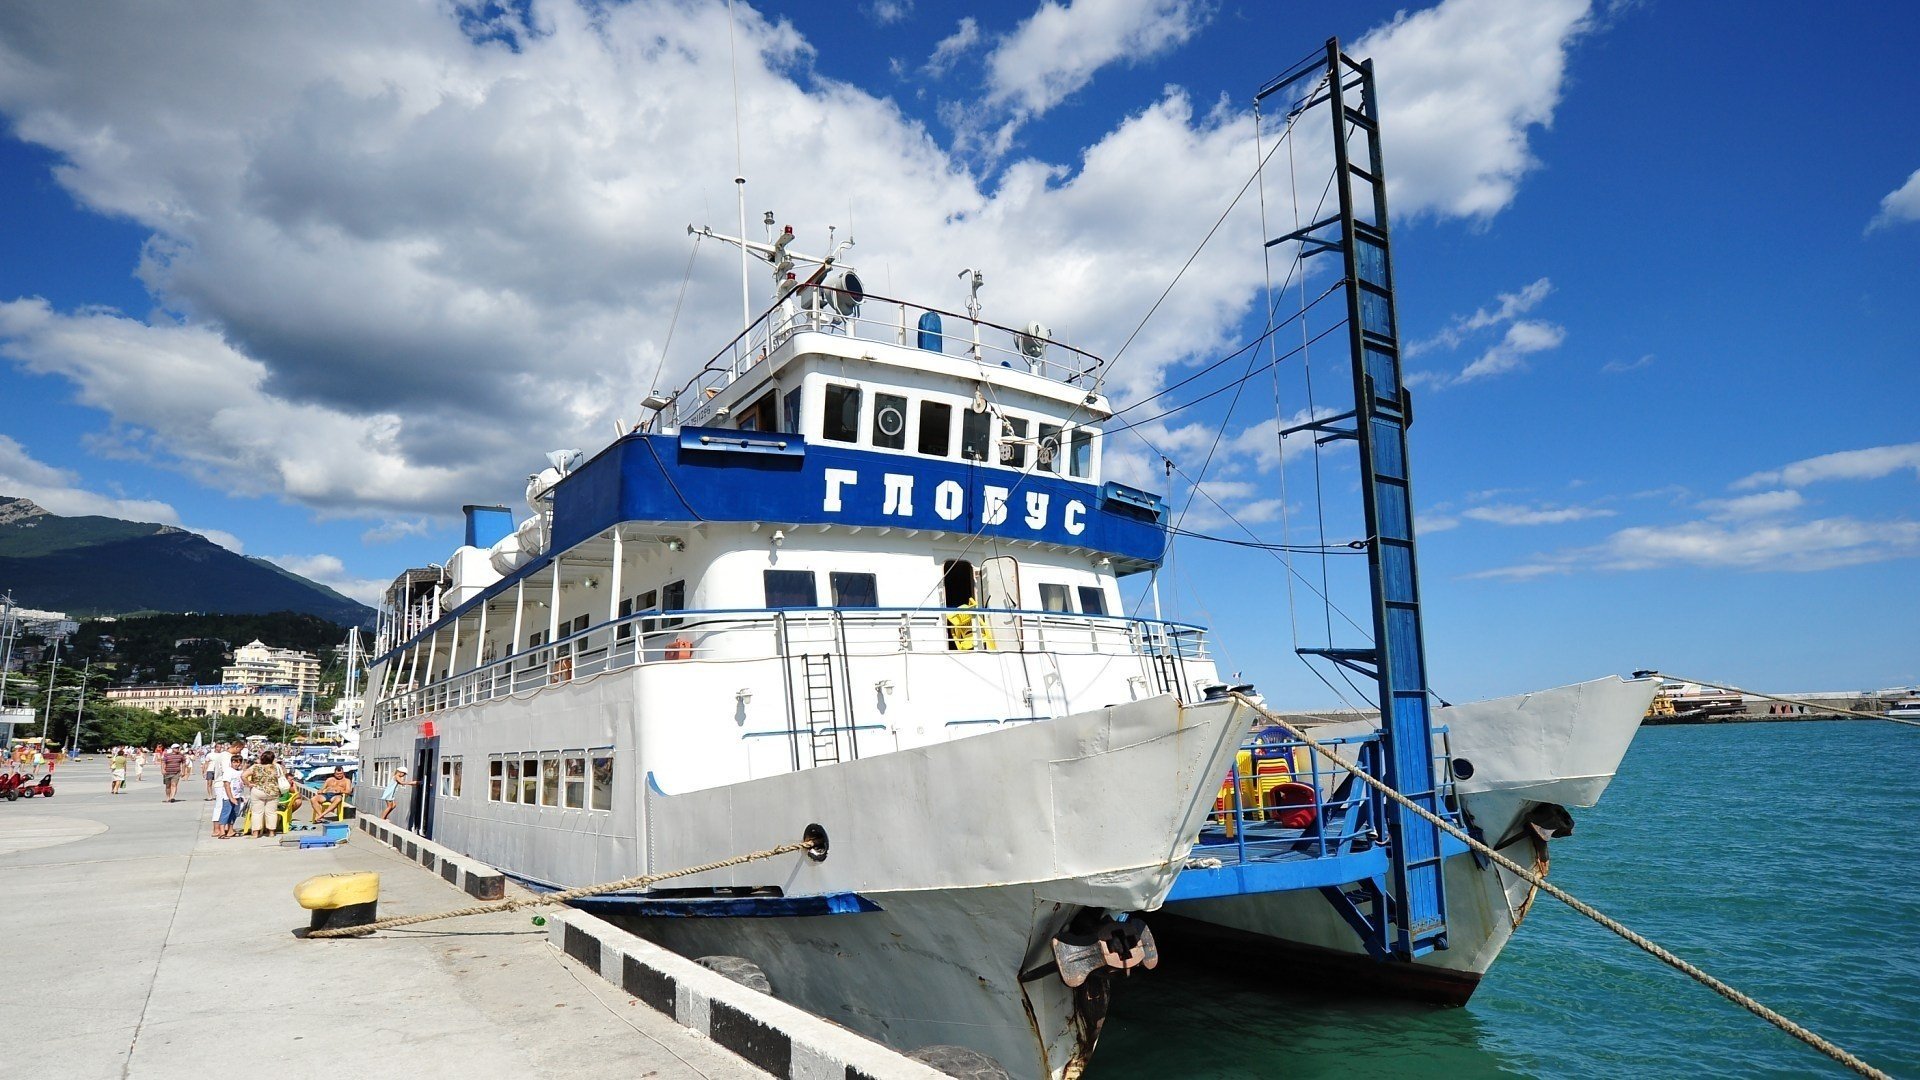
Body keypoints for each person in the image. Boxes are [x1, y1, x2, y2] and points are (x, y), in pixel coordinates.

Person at [241, 752, 283, 838]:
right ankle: (271, 832)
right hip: (273, 791)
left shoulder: (255, 767)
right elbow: (283, 775)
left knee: (257, 812)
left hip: (258, 790)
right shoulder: (277, 767)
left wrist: (249, 784)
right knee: (271, 813)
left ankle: (255, 833)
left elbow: (243, 776)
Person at [214, 754, 245, 839]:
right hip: (228, 797)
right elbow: (226, 785)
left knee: (234, 814)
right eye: (234, 762)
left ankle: (230, 830)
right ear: (231, 762)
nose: (237, 764)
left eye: (239, 762)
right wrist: (230, 797)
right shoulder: (228, 771)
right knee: (225, 813)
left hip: (238, 795)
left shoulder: (240, 772)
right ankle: (222, 831)